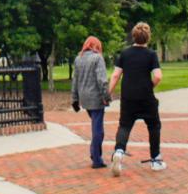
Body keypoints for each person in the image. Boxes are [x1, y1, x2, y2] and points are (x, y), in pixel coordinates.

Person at [107, 21, 165, 174]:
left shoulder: (124, 54)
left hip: (128, 97)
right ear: (148, 37)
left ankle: (119, 151)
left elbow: (115, 75)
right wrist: (149, 86)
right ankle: (155, 159)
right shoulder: (151, 54)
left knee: (124, 125)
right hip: (146, 97)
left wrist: (108, 93)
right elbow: (158, 76)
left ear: (133, 36)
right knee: (154, 126)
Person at [70, 35, 110, 168]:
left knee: (96, 127)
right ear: (96, 46)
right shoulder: (98, 58)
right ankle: (96, 159)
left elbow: (75, 80)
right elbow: (102, 80)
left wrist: (75, 99)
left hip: (84, 99)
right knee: (98, 130)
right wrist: (106, 97)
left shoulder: (78, 58)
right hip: (96, 98)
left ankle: (95, 155)